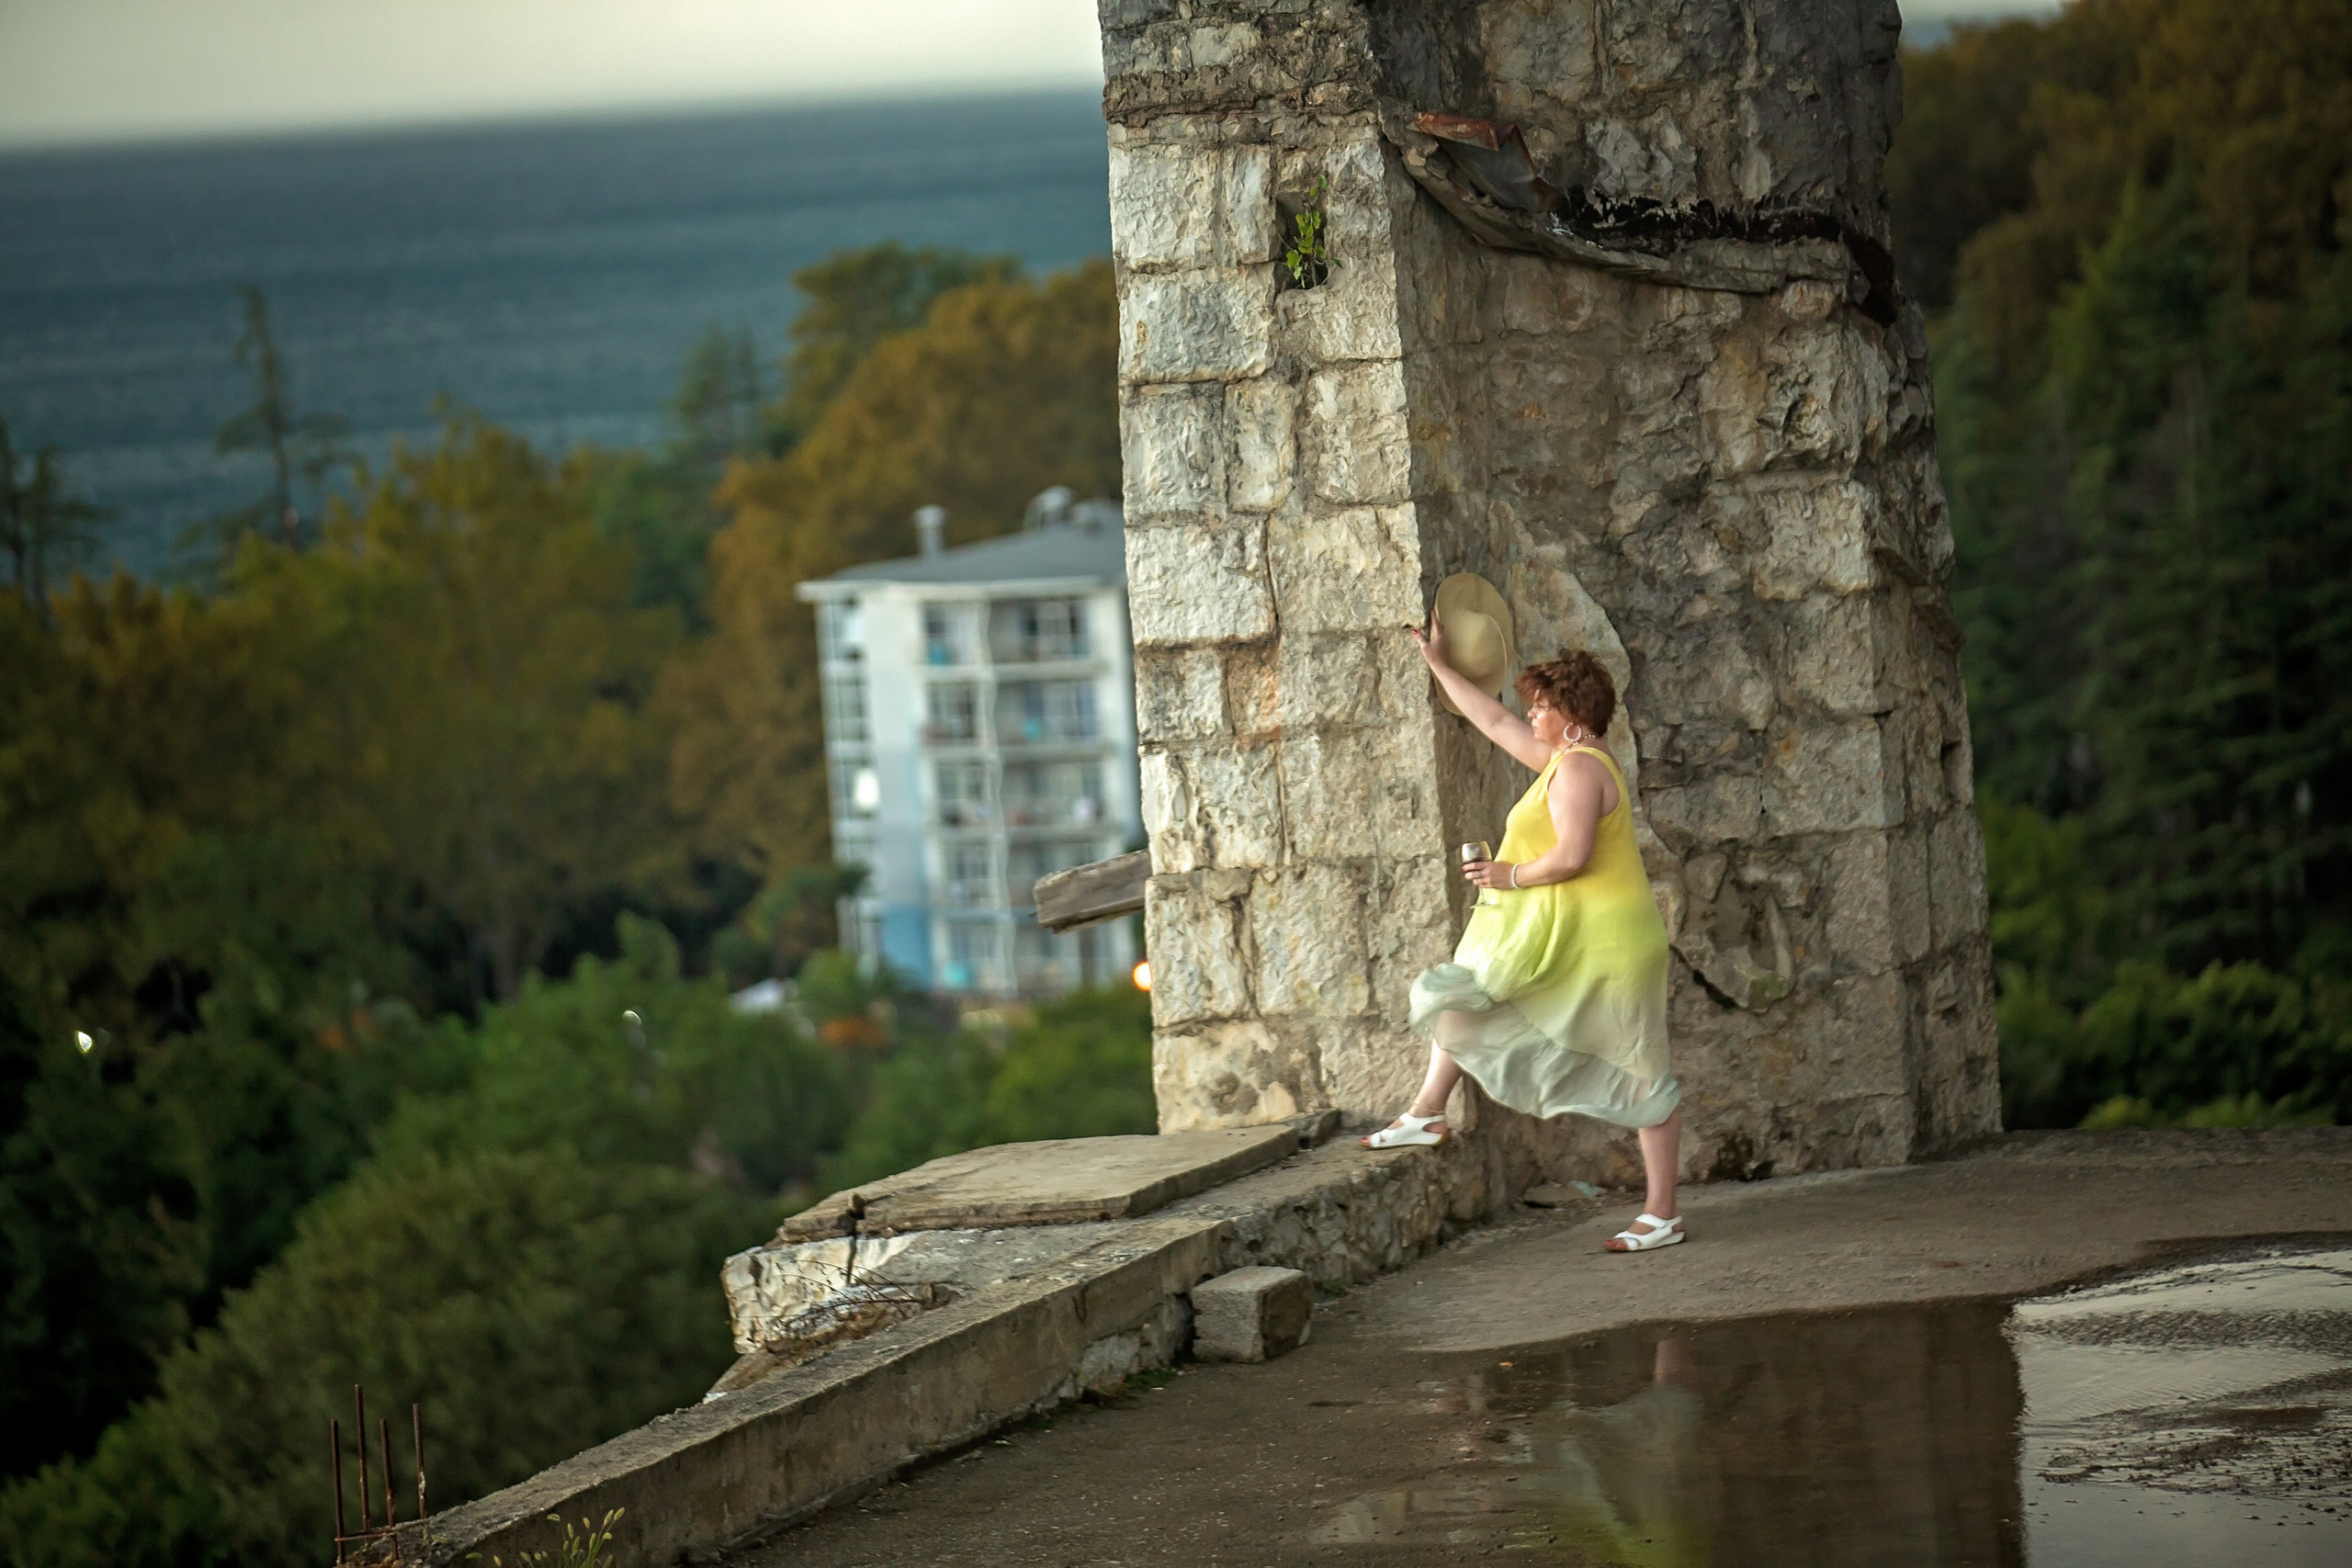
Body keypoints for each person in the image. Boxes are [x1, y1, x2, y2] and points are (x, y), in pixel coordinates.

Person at [1363, 618, 1686, 1253]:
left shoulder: (1577, 770)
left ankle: (1663, 1213)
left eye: (1541, 706)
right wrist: (1440, 667)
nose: (1530, 715)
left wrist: (1506, 874)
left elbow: (1571, 856)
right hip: (1583, 937)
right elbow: (1493, 723)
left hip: (1610, 944)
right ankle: (1427, 1111)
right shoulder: (1568, 760)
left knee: (1645, 1070)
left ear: (1571, 716)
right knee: (1472, 995)